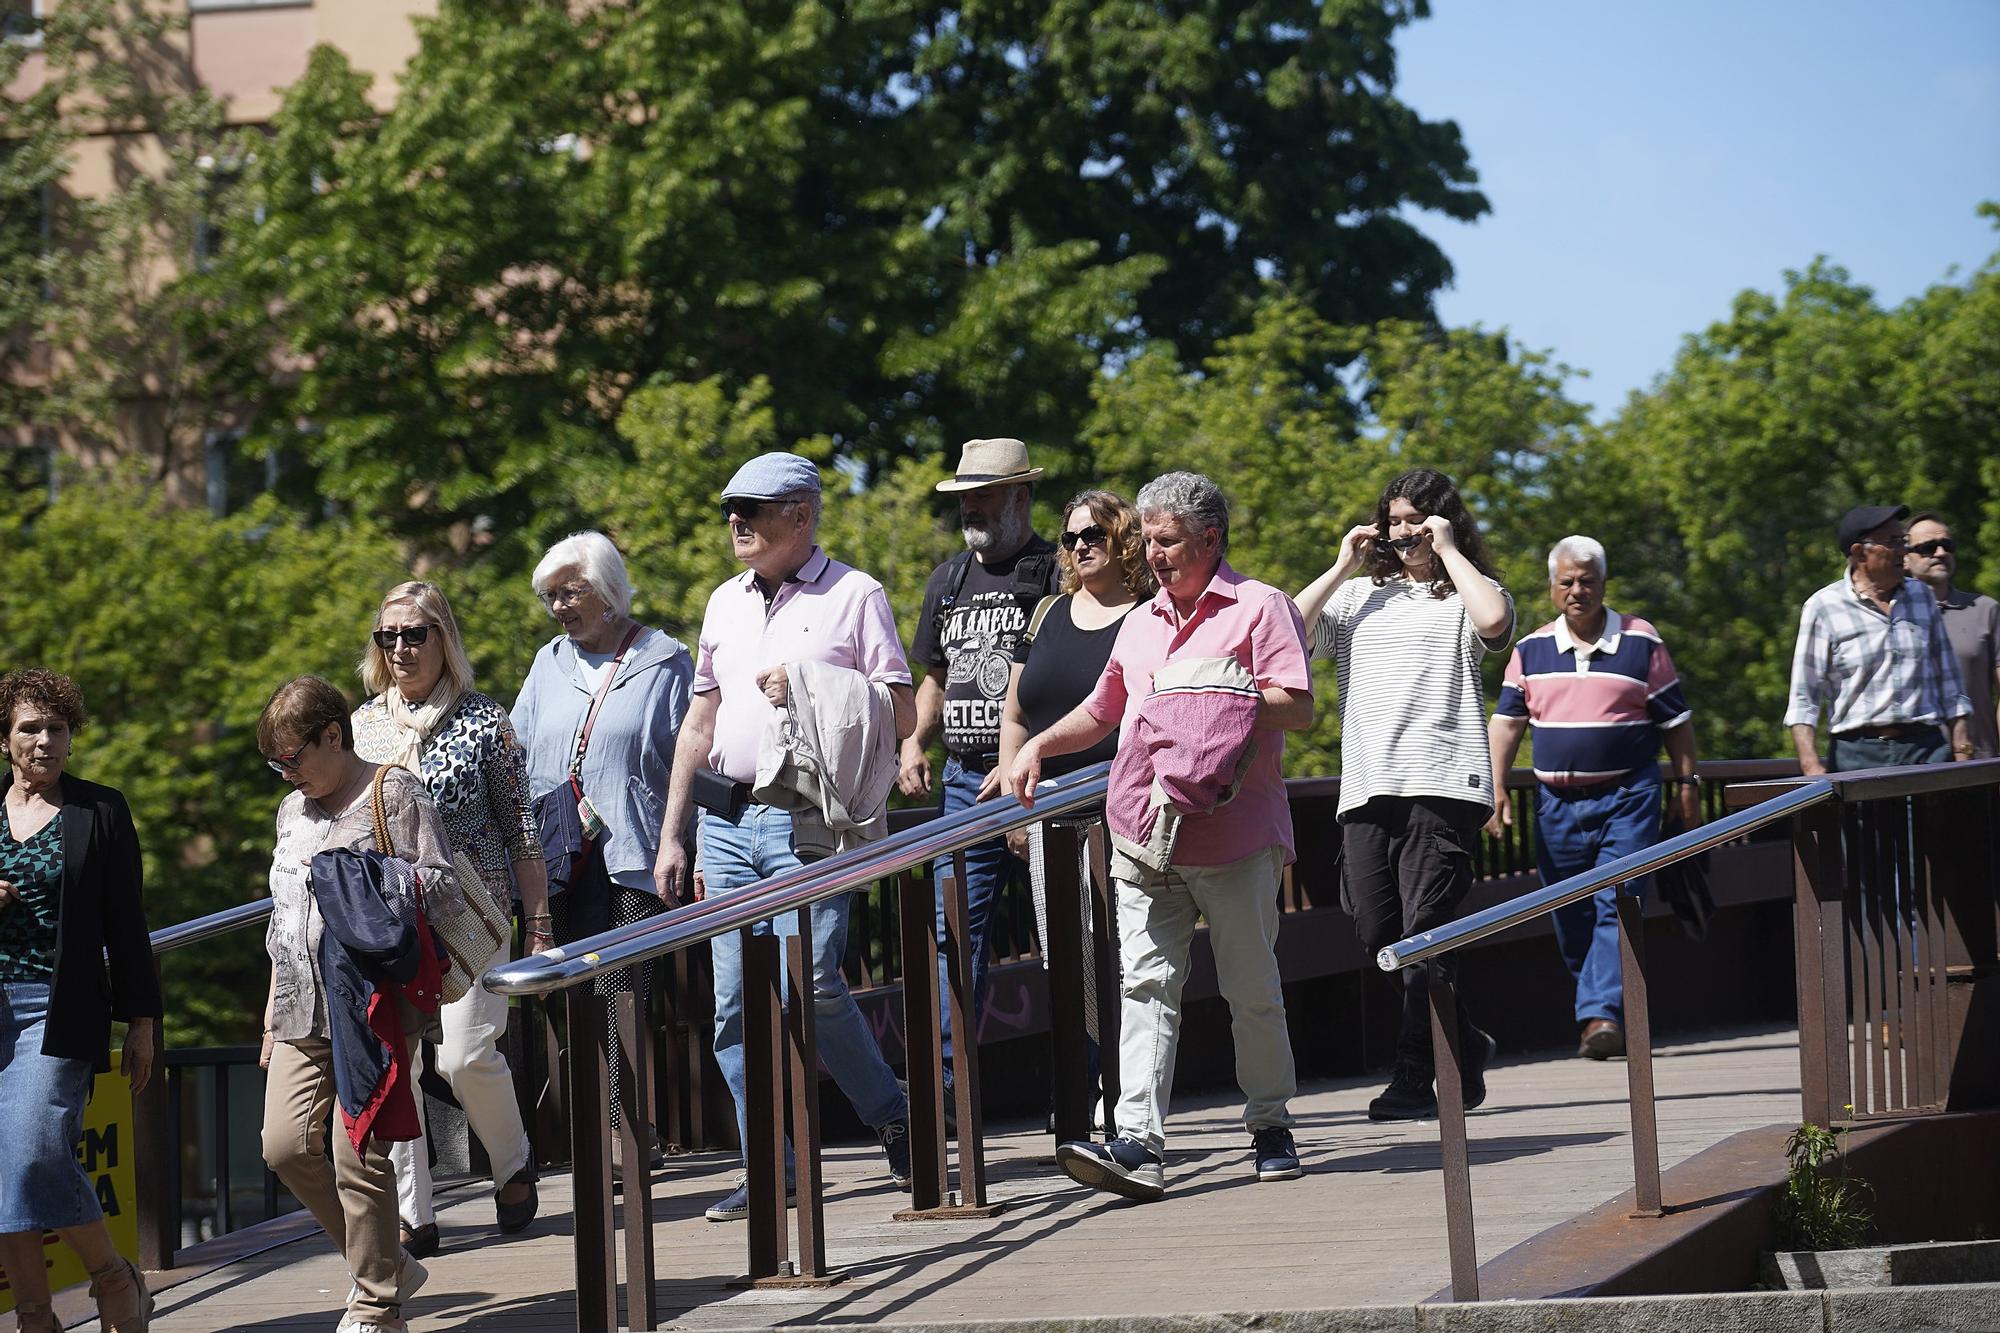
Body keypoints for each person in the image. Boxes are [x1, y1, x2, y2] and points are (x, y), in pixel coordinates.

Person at [1009, 471, 1314, 1202]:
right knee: (1143, 986)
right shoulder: (1141, 620)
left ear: (1210, 539)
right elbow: (1104, 706)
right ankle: (1139, 1141)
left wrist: (1215, 701)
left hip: (1236, 833)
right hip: (1144, 835)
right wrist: (1039, 745)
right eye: (1147, 539)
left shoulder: (1260, 606)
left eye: (1168, 540)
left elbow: (1297, 707)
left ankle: (1270, 1124)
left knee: (1251, 990)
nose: (1153, 553)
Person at [651, 452, 917, 1222]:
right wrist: (676, 835)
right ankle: (773, 1166)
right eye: (731, 507)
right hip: (724, 821)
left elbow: (898, 713)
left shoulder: (856, 594)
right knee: (734, 1002)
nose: (737, 521)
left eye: (755, 508)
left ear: (801, 515)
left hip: (810, 816)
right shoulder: (722, 602)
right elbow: (698, 723)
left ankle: (893, 1112)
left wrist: (807, 683)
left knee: (813, 982)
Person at [1295, 467, 1514, 1122]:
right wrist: (1339, 566)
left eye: (1417, 517)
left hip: (1444, 781)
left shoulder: (1466, 592)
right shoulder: (1360, 595)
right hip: (1367, 784)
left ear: (1443, 519)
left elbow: (1498, 622)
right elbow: (1280, 636)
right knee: (1377, 926)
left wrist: (1448, 550)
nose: (1403, 529)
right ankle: (1465, 1041)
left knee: (1425, 934)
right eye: (1394, 519)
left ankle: (1416, 1075)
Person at [257, 675, 461, 1333]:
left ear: (334, 735)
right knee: (284, 1146)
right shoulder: (292, 812)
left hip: (371, 1001)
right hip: (297, 1003)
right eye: (276, 763)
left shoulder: (392, 791)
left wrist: (370, 884)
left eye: (295, 757)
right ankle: (390, 1264)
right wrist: (269, 1010)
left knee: (358, 1150)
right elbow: (283, 915)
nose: (288, 774)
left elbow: (441, 885)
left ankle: (377, 1301)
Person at [352, 581, 545, 1257]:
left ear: (444, 639)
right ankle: (415, 1213)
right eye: (388, 636)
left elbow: (521, 828)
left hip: (472, 910)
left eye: (414, 634)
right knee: (394, 1062)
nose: (400, 648)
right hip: (389, 918)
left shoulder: (485, 720)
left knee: (462, 1055)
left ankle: (513, 1161)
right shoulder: (364, 727)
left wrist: (540, 923)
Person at [512, 531, 694, 1161]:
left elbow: (687, 761)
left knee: (620, 997)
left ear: (608, 588)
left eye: (571, 592)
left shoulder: (666, 660)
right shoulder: (547, 663)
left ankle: (622, 1133)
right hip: (558, 858)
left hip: (631, 858)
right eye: (550, 597)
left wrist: (686, 846)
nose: (559, 607)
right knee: (570, 1000)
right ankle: (618, 1129)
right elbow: (518, 750)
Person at [1486, 537, 1699, 1060]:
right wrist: (1494, 788)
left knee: (1617, 900)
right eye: (1567, 582)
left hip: (1628, 795)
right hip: (1556, 802)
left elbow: (1676, 721)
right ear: (1552, 588)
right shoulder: (1531, 649)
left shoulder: (1640, 640)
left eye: (1587, 581)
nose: (1577, 590)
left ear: (1603, 584)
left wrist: (1687, 784)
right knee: (1569, 913)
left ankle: (1600, 1015)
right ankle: (1601, 1008)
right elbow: (1508, 723)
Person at [0, 669, 160, 1333]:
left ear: (72, 735)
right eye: (29, 728)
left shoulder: (99, 811)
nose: (44, 741)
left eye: (56, 728)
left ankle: (115, 1278)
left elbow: (128, 924)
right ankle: (36, 1316)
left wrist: (143, 1022)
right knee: (6, 1167)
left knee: (34, 1150)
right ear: (4, 737)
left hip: (57, 1010)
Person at [900, 438, 1061, 1086]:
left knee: (1067, 933)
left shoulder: (1056, 571)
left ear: (1021, 496)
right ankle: (946, 1088)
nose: (972, 508)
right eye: (964, 498)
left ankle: (1083, 1086)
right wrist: (913, 739)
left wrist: (1028, 761)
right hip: (966, 783)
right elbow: (935, 678)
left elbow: (1076, 679)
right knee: (950, 937)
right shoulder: (950, 578)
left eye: (985, 496)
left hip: (1042, 782)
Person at [994, 489, 1153, 1121]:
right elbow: (1015, 712)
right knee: (1066, 953)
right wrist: (1013, 792)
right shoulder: (1044, 616)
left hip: (1127, 803)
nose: (1080, 546)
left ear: (1125, 542)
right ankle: (1080, 1091)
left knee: (1125, 951)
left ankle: (1129, 1096)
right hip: (1048, 809)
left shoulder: (1149, 615)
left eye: (1094, 534)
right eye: (1070, 538)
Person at [1786, 504, 1973, 773]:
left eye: (1903, 541)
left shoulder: (1922, 597)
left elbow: (1950, 684)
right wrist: (1811, 766)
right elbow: (1804, 697)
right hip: (1857, 754)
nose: (1903, 551)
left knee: (1936, 817)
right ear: (1860, 552)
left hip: (1927, 748)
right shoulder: (1823, 607)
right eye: (1893, 542)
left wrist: (1962, 751)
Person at [1905, 512, 2000, 759]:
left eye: (1947, 545)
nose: (1940, 553)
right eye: (1927, 547)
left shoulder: (1985, 609)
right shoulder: (1891, 617)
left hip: (1979, 763)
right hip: (1911, 767)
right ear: (1904, 558)